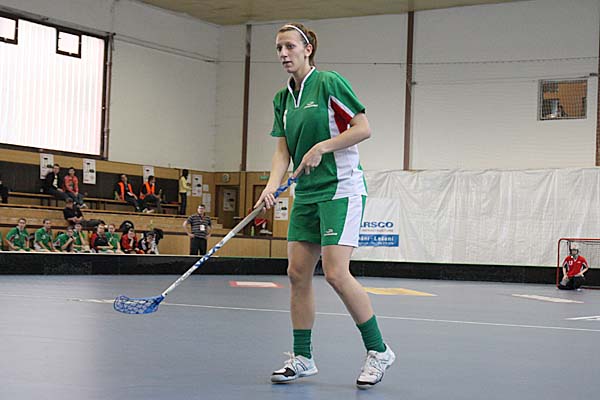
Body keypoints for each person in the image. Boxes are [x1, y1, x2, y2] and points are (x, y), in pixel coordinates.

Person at [255, 23, 394, 389]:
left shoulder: (329, 83)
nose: (283, 54)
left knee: (335, 273)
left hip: (340, 189)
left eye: (289, 46)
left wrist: (322, 147)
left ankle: (379, 351)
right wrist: (270, 187)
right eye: (279, 48)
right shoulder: (282, 99)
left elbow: (363, 128)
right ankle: (303, 357)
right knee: (297, 273)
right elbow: (283, 151)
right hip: (305, 193)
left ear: (308, 49)